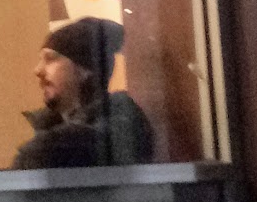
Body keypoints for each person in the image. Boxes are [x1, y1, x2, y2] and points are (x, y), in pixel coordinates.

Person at [12, 16, 155, 169]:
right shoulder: (51, 133)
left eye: (50, 59)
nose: (37, 70)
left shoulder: (122, 125)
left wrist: (36, 152)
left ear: (85, 69)